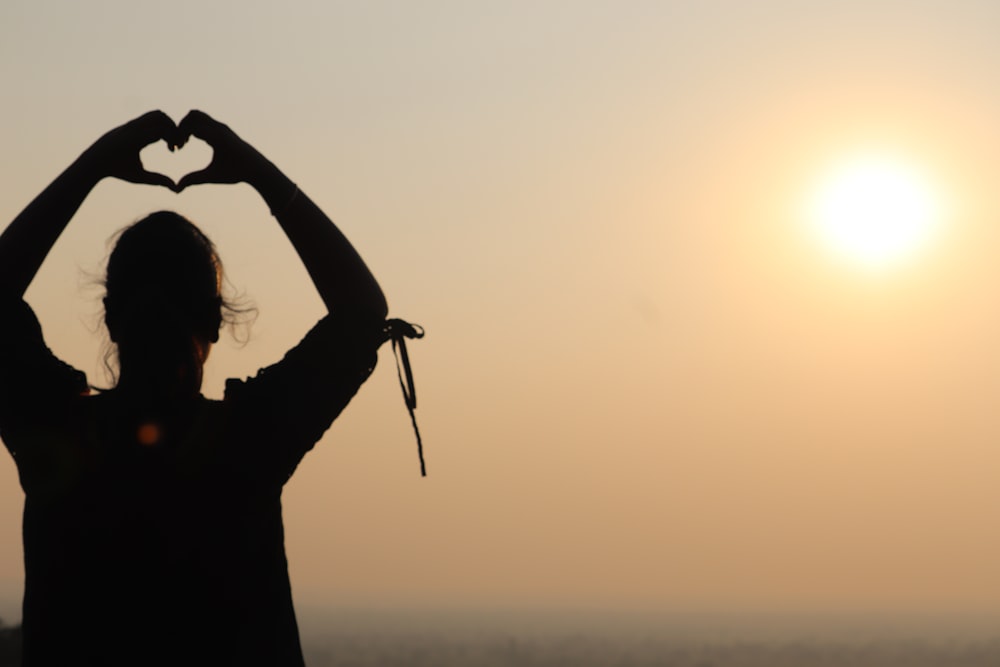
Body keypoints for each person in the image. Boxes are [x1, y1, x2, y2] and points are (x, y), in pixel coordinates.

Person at [0, 111, 392, 666]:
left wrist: (93, 166)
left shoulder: (58, 434)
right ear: (215, 321)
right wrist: (257, 171)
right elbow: (361, 311)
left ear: (109, 319)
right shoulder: (249, 442)